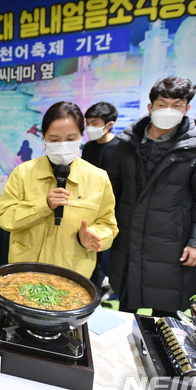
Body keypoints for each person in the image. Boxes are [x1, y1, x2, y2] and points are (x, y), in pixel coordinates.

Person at [108, 76, 196, 317]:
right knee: (125, 307)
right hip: (129, 239)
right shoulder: (127, 143)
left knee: (166, 314)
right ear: (150, 107)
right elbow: (112, 188)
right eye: (163, 105)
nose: (169, 111)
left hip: (172, 243)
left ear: (187, 109)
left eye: (177, 105)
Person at [0, 101, 118, 279]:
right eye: (54, 139)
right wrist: (42, 206)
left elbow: (108, 225)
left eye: (70, 139)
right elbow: (5, 217)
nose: (62, 145)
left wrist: (94, 236)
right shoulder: (23, 173)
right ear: (44, 137)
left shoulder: (98, 178)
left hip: (72, 274)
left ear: (81, 137)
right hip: (25, 271)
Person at [82, 102, 120, 290]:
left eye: (95, 123)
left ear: (109, 124)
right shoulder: (88, 148)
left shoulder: (122, 148)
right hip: (88, 209)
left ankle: (107, 286)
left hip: (112, 211)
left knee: (107, 253)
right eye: (87, 122)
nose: (89, 127)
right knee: (90, 254)